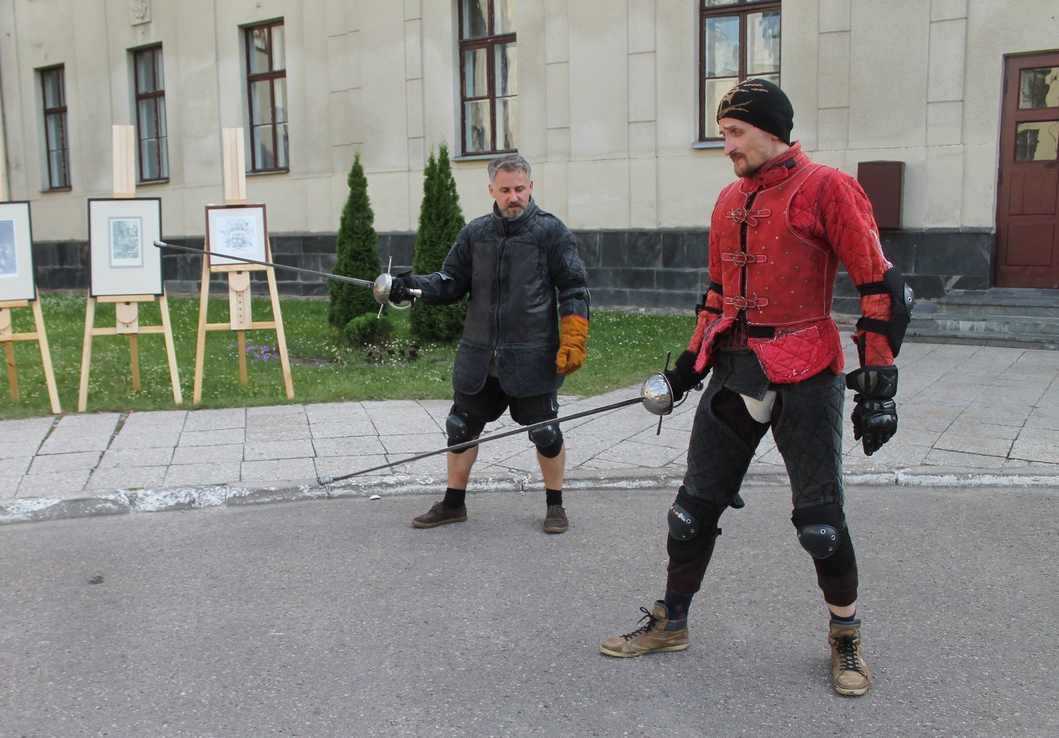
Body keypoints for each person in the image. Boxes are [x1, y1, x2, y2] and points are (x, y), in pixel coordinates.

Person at [599, 79, 910, 697]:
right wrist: (689, 364)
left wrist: (877, 385)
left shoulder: (828, 188)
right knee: (690, 511)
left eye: (736, 132)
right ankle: (673, 620)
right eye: (723, 133)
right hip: (736, 368)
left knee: (820, 522)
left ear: (773, 130)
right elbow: (718, 295)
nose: (727, 146)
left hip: (807, 367)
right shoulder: (727, 200)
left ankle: (845, 635)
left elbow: (882, 287)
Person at [388, 154, 591, 534]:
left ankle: (555, 505)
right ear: (491, 190)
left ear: (530, 187)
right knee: (459, 428)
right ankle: (453, 505)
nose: (513, 197)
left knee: (546, 432)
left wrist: (574, 338)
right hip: (480, 356)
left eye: (519, 189)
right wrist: (411, 286)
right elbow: (450, 282)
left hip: (532, 355)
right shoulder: (476, 233)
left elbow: (574, 287)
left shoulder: (552, 233)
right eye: (505, 190)